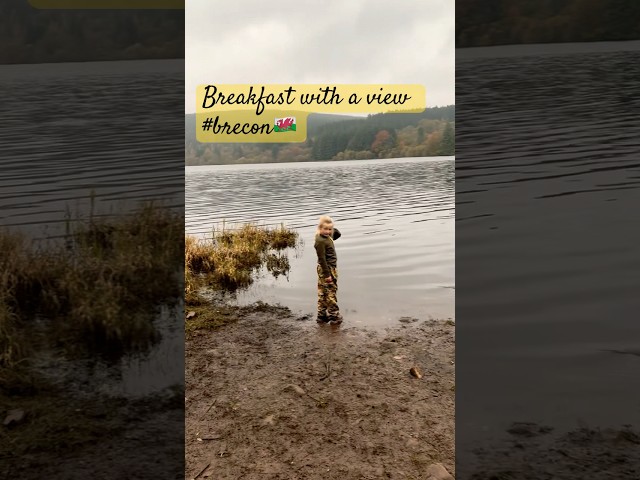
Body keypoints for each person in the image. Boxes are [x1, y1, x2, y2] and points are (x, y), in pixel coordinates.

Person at [314, 215, 342, 325]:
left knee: (323, 291)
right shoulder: (320, 241)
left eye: (330, 229)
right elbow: (322, 259)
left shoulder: (327, 237)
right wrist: (327, 275)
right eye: (325, 229)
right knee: (330, 291)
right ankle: (334, 316)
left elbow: (338, 234)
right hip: (327, 269)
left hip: (328, 269)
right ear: (319, 228)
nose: (328, 231)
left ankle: (321, 316)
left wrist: (331, 227)